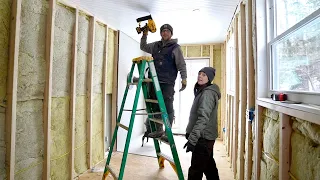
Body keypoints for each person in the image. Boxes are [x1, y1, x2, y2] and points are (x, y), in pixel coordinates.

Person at [140, 24, 187, 139]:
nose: (165, 33)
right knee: (155, 106)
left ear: (171, 33)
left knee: (167, 106)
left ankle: (168, 132)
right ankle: (158, 130)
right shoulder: (156, 45)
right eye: (163, 31)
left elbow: (181, 64)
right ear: (161, 33)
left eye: (167, 31)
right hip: (154, 81)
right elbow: (143, 46)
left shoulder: (175, 47)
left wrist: (184, 78)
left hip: (167, 82)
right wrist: (144, 34)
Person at [184, 67, 220, 180]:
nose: (200, 76)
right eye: (199, 73)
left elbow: (202, 118)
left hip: (203, 138)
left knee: (195, 171)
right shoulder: (203, 91)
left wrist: (193, 139)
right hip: (204, 136)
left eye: (204, 75)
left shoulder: (207, 94)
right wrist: (190, 133)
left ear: (209, 78)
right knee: (208, 167)